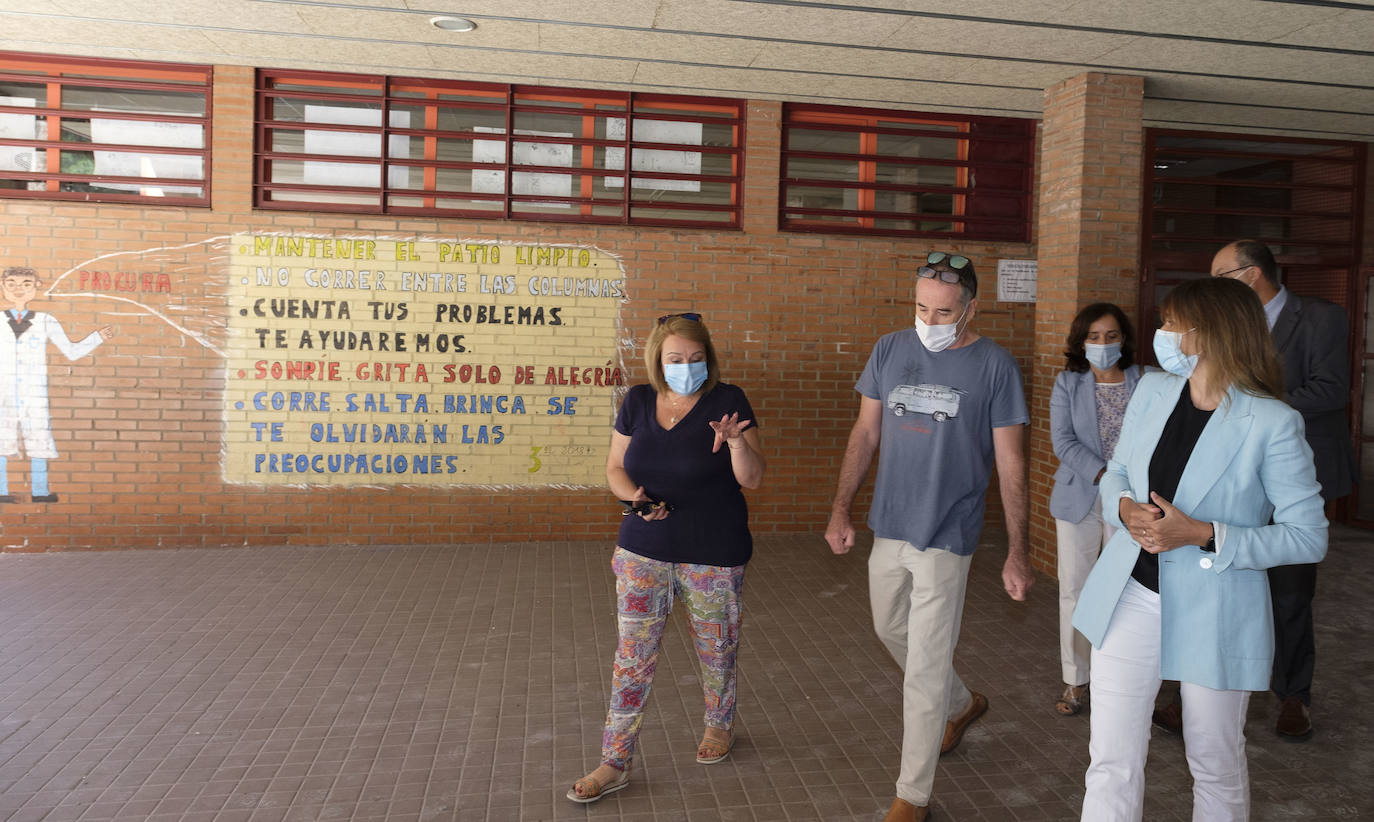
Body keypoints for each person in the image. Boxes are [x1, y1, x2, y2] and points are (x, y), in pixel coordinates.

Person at [1073, 276, 1328, 821]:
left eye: (1170, 323)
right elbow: (1117, 470)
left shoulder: (1273, 422)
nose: (1162, 334)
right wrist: (1122, 507)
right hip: (1131, 593)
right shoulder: (1155, 390)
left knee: (1213, 762)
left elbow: (1309, 535)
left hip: (1218, 607)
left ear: (1206, 333)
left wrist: (1202, 534)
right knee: (1111, 759)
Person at [824, 251, 1033, 822]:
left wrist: (1018, 549)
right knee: (888, 626)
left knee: (923, 667)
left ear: (971, 309)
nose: (930, 322)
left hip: (949, 531)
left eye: (943, 313)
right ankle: (963, 703)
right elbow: (866, 432)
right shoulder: (889, 349)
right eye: (921, 308)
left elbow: (1012, 464)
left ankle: (911, 797)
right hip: (889, 523)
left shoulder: (996, 368)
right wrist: (841, 509)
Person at [568, 312, 765, 804]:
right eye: (675, 359)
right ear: (657, 359)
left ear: (709, 359)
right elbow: (614, 466)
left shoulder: (728, 401)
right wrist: (632, 496)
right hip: (643, 552)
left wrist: (737, 443)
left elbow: (753, 478)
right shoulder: (636, 401)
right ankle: (614, 760)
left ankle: (719, 725)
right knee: (632, 659)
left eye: (696, 359)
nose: (686, 367)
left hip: (713, 555)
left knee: (716, 650)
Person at [1211, 239, 1355, 740]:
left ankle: (1294, 696)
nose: (1215, 286)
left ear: (1250, 274)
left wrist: (1258, 406)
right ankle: (1209, 691)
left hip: (1298, 476)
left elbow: (1332, 389)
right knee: (1228, 582)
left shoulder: (1320, 317)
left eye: (1220, 275)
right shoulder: (1230, 322)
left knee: (1291, 594)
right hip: (1239, 475)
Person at [1048, 303, 1143, 717]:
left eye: (1111, 336)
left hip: (1135, 502)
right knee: (1076, 590)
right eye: (1094, 337)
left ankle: (1125, 676)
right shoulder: (1067, 383)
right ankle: (1076, 679)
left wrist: (1126, 487)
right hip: (1082, 495)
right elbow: (1063, 442)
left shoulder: (1148, 381)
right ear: (1080, 341)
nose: (1103, 345)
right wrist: (1107, 477)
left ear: (1124, 339)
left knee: (1130, 592)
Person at [1, 266, 115, 503]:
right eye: (11, 284)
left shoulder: (45, 320)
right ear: (3, 287)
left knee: (39, 437)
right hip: (3, 391)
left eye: (26, 284)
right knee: (2, 436)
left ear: (36, 286)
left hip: (34, 393)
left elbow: (71, 351)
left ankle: (40, 491)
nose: (18, 290)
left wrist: (97, 338)